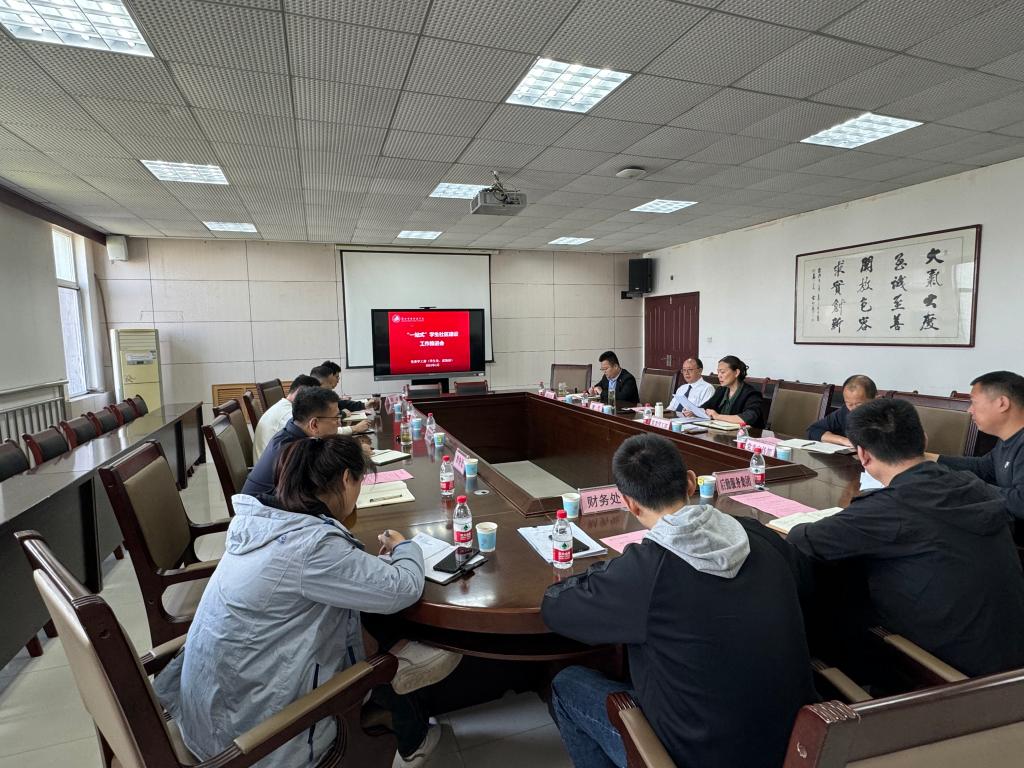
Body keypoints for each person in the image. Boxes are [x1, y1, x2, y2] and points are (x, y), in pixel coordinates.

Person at [153, 435, 449, 767]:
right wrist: (405, 547)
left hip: (207, 712)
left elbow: (309, 577)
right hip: (252, 740)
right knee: (386, 653)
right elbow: (403, 588)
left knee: (365, 626)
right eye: (360, 483)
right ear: (346, 479)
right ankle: (412, 738)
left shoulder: (262, 523)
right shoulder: (313, 546)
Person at [542, 433, 816, 768]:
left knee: (567, 685)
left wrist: (607, 571)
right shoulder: (755, 532)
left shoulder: (644, 571)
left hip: (699, 756)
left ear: (629, 503)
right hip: (798, 745)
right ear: (690, 482)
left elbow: (555, 608)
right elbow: (803, 578)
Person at [788, 398, 1024, 677]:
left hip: (953, 679)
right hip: (1010, 656)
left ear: (862, 455)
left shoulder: (888, 509)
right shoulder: (974, 485)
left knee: (828, 599)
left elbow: (803, 540)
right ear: (923, 439)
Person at [933, 371, 1024, 521]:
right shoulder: (1007, 439)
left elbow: (1020, 503)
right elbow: (983, 468)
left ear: (1002, 403)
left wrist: (967, 486)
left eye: (974, 402)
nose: (969, 410)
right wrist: (929, 458)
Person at [243, 387, 344, 496]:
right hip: (262, 506)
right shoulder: (293, 451)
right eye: (336, 418)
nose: (339, 423)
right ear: (314, 424)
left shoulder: (295, 429)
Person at [253, 375, 324, 463]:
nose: (316, 404)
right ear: (300, 392)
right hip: (274, 468)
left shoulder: (285, 407)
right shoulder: (288, 414)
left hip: (278, 462)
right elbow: (316, 436)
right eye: (315, 399)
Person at [805, 374, 877, 445]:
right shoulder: (844, 412)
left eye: (858, 405)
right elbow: (813, 431)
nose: (853, 409)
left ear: (875, 399)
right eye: (849, 404)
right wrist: (843, 440)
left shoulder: (882, 414)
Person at [700, 355, 766, 428]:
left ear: (736, 373)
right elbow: (705, 407)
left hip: (748, 433)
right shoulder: (721, 390)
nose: (719, 376)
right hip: (721, 432)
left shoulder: (752, 394)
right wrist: (694, 412)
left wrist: (718, 416)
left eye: (722, 372)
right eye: (718, 372)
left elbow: (748, 418)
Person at [310, 362, 377, 413]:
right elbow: (326, 416)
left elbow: (339, 404)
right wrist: (342, 414)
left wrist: (364, 405)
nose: (338, 381)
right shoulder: (311, 401)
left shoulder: (320, 395)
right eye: (336, 377)